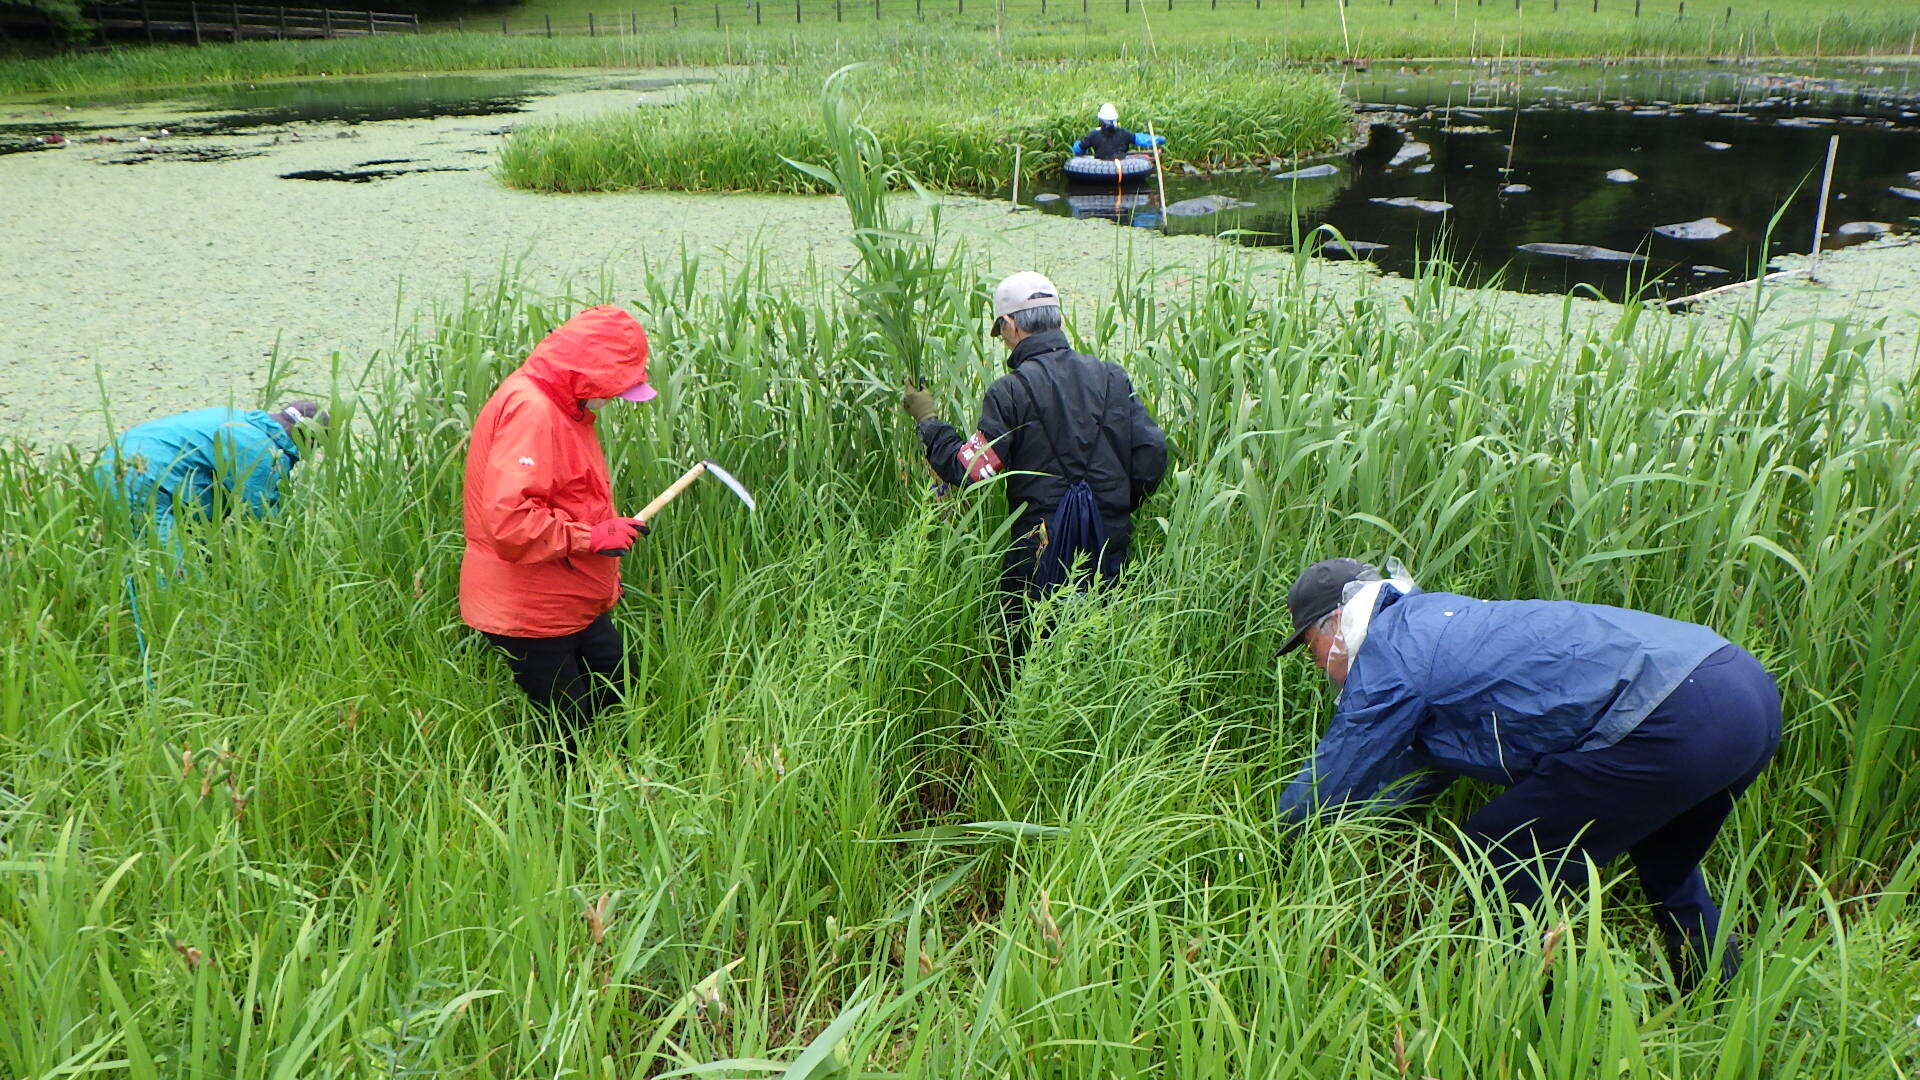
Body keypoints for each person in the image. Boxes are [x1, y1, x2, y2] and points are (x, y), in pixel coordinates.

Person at [1275, 558, 1782, 991]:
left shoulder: (1391, 653)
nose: (1316, 664)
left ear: (1335, 625)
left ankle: (1524, 1016)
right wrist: (1378, 827)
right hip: (1738, 689)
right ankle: (1717, 995)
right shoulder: (1431, 622)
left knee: (1499, 850)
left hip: (1672, 712)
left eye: (1310, 648)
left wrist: (1275, 849)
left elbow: (1332, 776)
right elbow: (1428, 762)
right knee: (1666, 861)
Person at [901, 271, 1167, 655]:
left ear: (1009, 324)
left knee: (1028, 654)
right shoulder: (1111, 376)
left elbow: (973, 469)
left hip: (1039, 549)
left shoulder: (1011, 391)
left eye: (1000, 331)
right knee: (1100, 650)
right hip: (1109, 542)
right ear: (1057, 317)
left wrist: (928, 421)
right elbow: (1152, 454)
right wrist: (1114, 509)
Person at [460, 305, 660, 758]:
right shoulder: (533, 412)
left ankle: (620, 771)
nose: (613, 400)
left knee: (618, 680)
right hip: (529, 607)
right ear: (588, 374)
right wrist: (592, 538)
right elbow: (509, 521)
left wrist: (604, 532)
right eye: (614, 389)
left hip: (566, 591)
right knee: (568, 725)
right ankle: (560, 806)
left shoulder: (564, 405)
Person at [95, 400, 328, 547]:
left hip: (114, 461)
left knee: (138, 556)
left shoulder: (235, 418)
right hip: (140, 475)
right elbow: (267, 523)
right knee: (172, 575)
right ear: (304, 438)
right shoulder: (261, 451)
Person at [1070, 102, 1164, 161]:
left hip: (1101, 166)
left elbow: (1078, 149)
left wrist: (1077, 144)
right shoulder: (1124, 133)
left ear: (1101, 120)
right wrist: (1157, 139)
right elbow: (1142, 139)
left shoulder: (1093, 135)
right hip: (1122, 166)